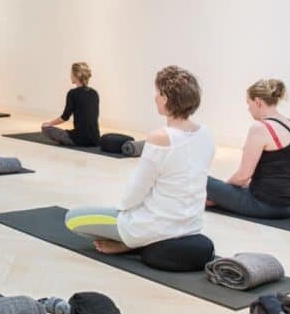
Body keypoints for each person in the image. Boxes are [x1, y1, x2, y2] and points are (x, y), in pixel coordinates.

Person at [65, 66, 215, 254]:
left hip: (152, 227)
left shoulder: (160, 138)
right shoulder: (206, 134)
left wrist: (121, 212)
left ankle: (131, 243)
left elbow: (137, 190)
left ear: (166, 99)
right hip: (192, 225)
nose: (155, 97)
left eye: (157, 92)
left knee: (73, 218)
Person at [206, 79, 290, 219]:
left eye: (248, 103)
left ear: (258, 102)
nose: (248, 109)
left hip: (267, 205)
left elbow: (243, 176)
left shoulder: (260, 128)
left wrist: (222, 194)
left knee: (202, 180)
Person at [41, 62, 101, 147]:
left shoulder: (72, 93)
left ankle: (66, 140)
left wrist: (49, 123)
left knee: (45, 129)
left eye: (71, 74)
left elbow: (65, 117)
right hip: (95, 139)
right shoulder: (94, 93)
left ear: (76, 76)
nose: (70, 76)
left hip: (79, 139)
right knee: (73, 132)